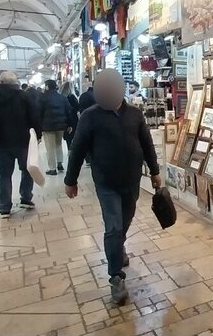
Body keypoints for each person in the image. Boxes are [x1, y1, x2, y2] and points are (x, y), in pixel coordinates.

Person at [64, 69, 163, 305]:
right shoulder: (89, 116)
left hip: (131, 180)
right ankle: (116, 277)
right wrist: (70, 179)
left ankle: (118, 248)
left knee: (125, 221)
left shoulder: (135, 114)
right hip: (106, 181)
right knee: (113, 226)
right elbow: (78, 148)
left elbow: (147, 143)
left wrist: (155, 171)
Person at [0, 71, 42, 219]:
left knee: (4, 175)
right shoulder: (24, 96)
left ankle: (4, 207)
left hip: (1, 143)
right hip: (23, 141)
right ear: (15, 82)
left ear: (0, 82)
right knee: (27, 169)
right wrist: (38, 134)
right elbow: (34, 116)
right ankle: (26, 197)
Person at [39, 79, 76, 176]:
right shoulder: (62, 98)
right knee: (58, 144)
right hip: (61, 126)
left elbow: (39, 112)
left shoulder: (42, 98)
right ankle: (60, 163)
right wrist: (70, 124)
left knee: (50, 147)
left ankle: (52, 169)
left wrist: (38, 126)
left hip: (48, 126)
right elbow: (69, 111)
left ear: (47, 86)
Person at [60, 82, 80, 148]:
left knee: (67, 136)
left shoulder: (61, 97)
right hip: (73, 118)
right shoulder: (72, 97)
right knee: (73, 135)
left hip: (63, 119)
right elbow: (77, 107)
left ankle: (69, 148)